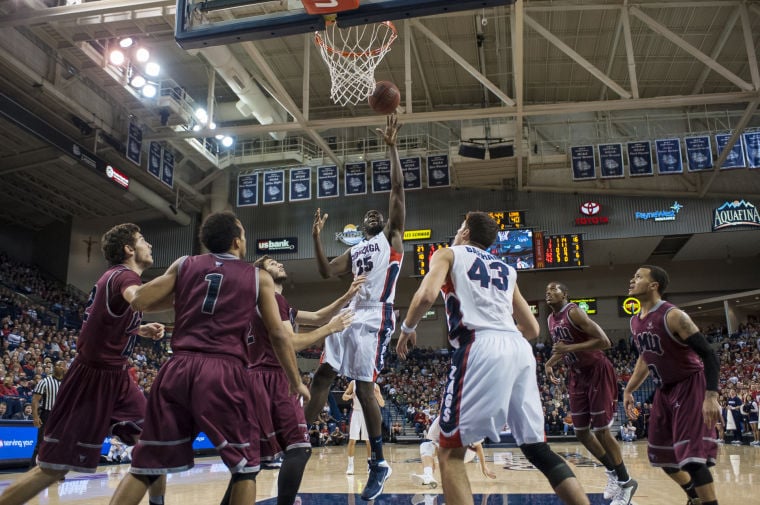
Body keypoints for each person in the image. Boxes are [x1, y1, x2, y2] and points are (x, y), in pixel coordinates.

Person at [108, 211, 309, 505]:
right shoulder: (257, 277)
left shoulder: (184, 263)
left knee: (146, 463)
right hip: (224, 371)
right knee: (245, 468)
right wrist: (295, 380)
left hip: (177, 367)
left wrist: (183, 292)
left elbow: (140, 301)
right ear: (237, 240)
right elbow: (279, 336)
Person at [396, 211, 590, 505]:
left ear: (464, 232)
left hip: (479, 344)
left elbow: (425, 296)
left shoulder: (447, 254)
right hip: (519, 348)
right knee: (538, 449)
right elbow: (533, 328)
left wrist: (407, 328)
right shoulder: (506, 268)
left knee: (449, 453)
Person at [0, 223, 167, 505]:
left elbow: (102, 323)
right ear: (129, 249)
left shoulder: (112, 278)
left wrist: (137, 330)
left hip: (118, 377)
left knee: (155, 444)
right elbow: (138, 300)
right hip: (92, 379)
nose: (149, 245)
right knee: (53, 469)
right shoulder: (124, 276)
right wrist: (183, 286)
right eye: (143, 240)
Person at [305, 113, 405, 501]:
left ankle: (378, 462)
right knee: (322, 377)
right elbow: (327, 271)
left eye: (376, 215)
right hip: (348, 311)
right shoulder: (355, 249)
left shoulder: (392, 237)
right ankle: (298, 441)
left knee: (365, 387)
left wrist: (392, 147)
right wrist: (315, 238)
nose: (373, 215)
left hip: (375, 314)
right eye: (368, 217)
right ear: (362, 228)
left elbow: (397, 189)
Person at [220, 255, 361, 505]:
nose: (280, 264)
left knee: (251, 463)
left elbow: (317, 316)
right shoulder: (274, 299)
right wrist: (331, 329)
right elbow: (290, 342)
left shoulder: (260, 303)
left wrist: (347, 296)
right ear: (260, 275)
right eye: (272, 263)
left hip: (252, 378)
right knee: (299, 448)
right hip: (272, 376)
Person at [623, 265, 721, 505]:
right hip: (664, 391)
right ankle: (694, 495)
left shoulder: (672, 315)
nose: (631, 280)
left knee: (692, 461)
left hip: (690, 385)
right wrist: (628, 389)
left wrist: (711, 397)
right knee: (664, 458)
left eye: (638, 277)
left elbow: (709, 354)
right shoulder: (635, 322)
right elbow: (645, 357)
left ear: (654, 285)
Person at [544, 281, 637, 504]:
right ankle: (614, 472)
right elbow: (562, 347)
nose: (548, 292)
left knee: (601, 430)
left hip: (597, 370)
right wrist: (550, 363)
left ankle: (626, 482)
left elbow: (604, 342)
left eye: (554, 289)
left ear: (565, 294)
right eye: (546, 290)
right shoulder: (550, 319)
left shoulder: (574, 312)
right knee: (581, 432)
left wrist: (568, 349)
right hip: (577, 375)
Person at [411, 416, 496, 488]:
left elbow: (478, 446)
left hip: (466, 453)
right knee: (426, 446)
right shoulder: (439, 421)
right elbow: (434, 443)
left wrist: (484, 467)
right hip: (447, 450)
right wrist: (431, 462)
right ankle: (428, 476)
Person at [342, 379, 385, 475]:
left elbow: (382, 404)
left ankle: (370, 465)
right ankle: (350, 466)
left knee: (369, 441)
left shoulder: (375, 386)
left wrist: (378, 396)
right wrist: (350, 396)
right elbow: (343, 397)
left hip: (368, 413)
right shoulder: (353, 383)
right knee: (352, 440)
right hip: (356, 412)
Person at [30, 359, 67, 468]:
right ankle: (32, 469)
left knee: (59, 444)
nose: (60, 367)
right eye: (58, 365)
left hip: (62, 416)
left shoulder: (67, 383)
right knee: (41, 443)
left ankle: (56, 470)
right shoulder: (45, 381)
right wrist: (35, 417)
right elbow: (35, 400)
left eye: (62, 365)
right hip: (47, 415)